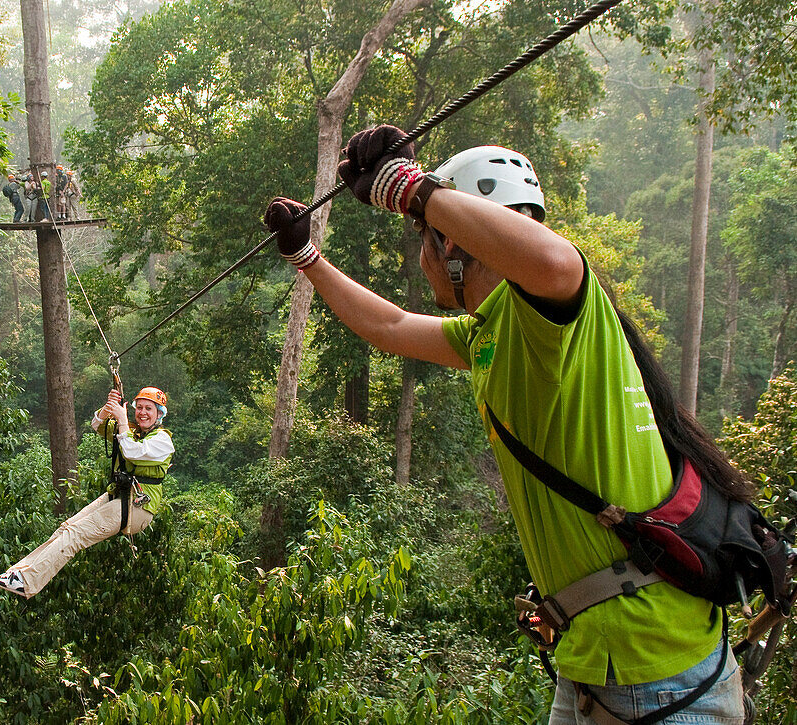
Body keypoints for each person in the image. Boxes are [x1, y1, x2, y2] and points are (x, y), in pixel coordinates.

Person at [264, 125, 750, 723]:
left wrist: (413, 191)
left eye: (426, 240)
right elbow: (389, 328)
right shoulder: (491, 333)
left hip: (662, 679)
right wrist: (306, 258)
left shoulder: (559, 317)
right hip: (594, 666)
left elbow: (553, 258)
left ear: (454, 244)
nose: (422, 258)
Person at [0, 386, 173, 598]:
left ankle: (28, 581)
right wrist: (108, 408)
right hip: (119, 496)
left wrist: (122, 420)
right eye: (139, 407)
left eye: (148, 409)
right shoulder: (132, 431)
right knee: (66, 529)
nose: (142, 412)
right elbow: (97, 425)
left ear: (159, 414)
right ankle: (18, 573)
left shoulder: (162, 441)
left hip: (138, 507)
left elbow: (132, 452)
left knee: (75, 535)